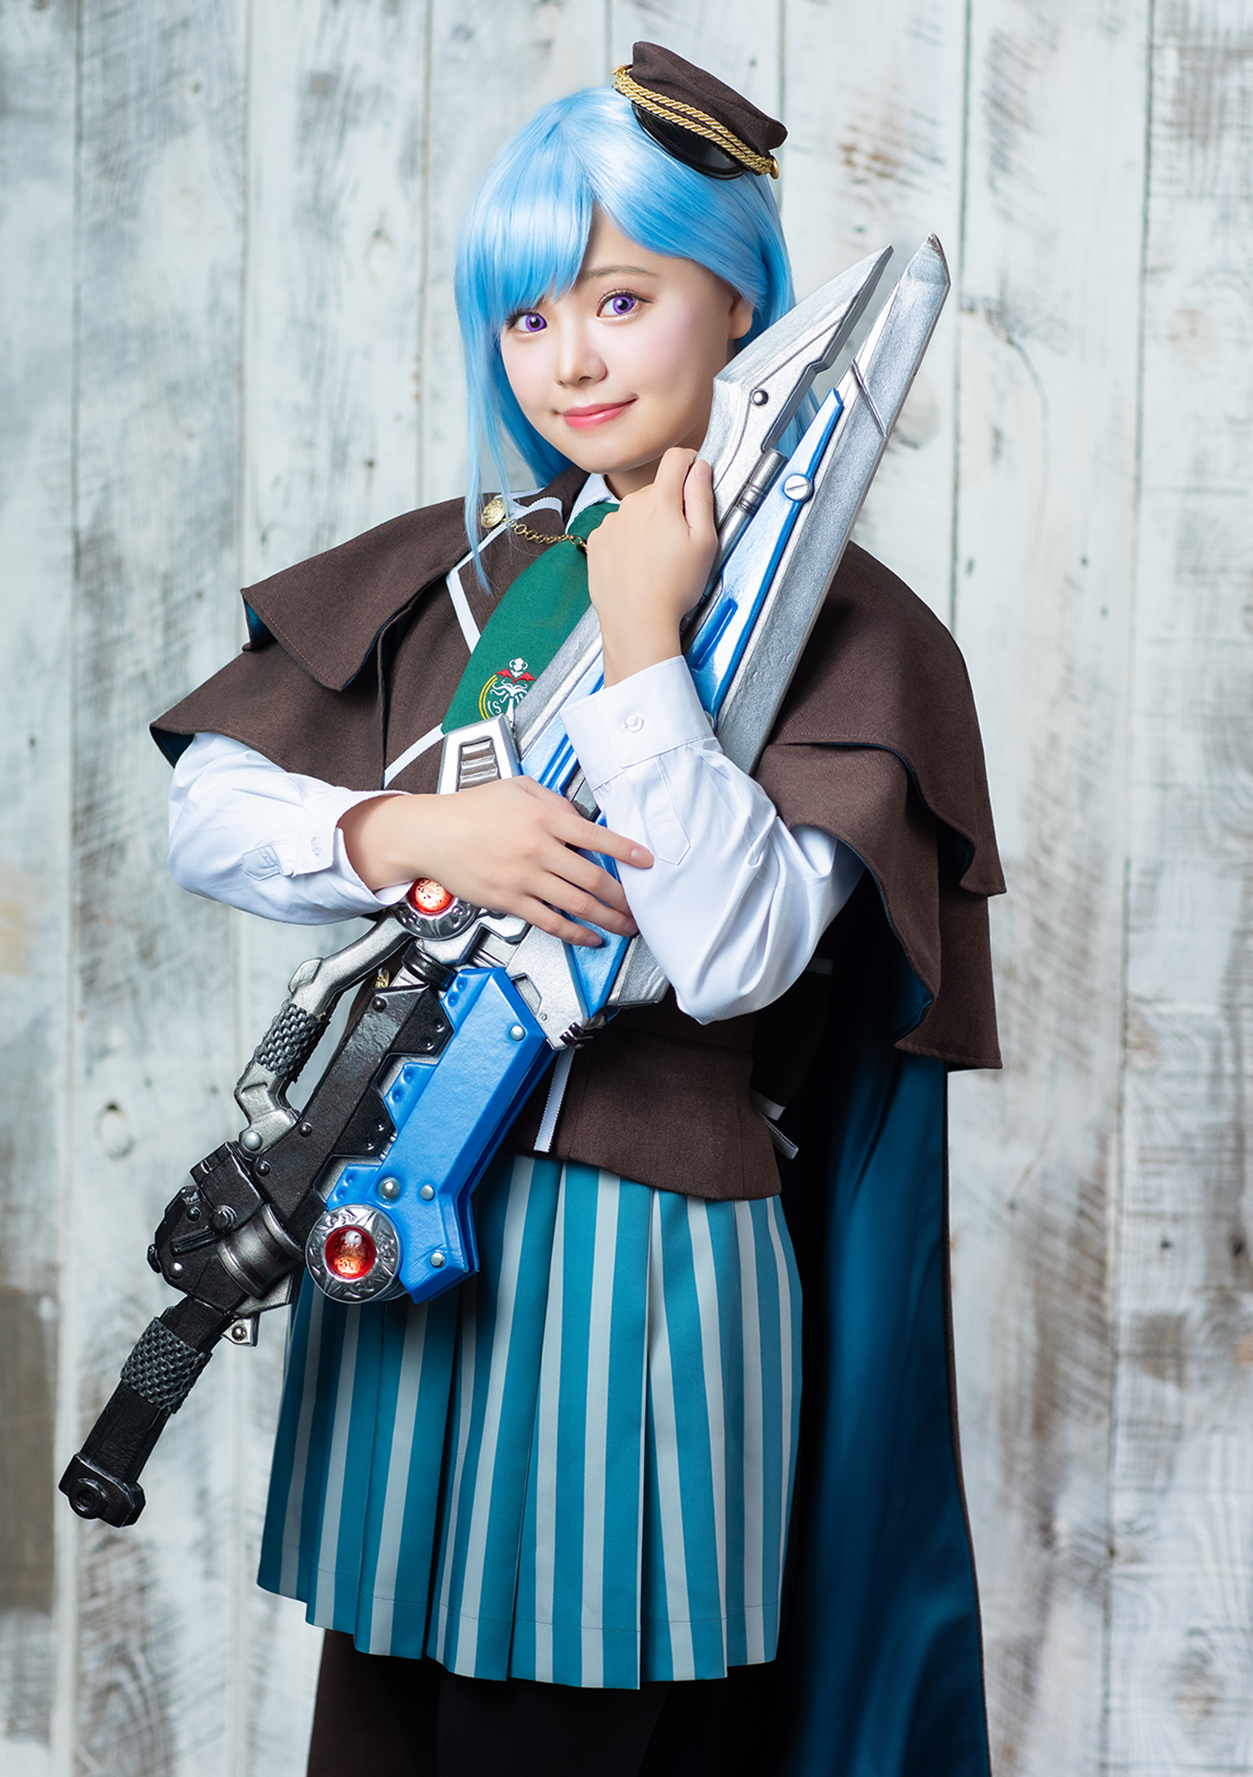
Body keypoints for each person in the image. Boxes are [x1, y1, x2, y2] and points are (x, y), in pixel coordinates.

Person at [152, 45, 1004, 1777]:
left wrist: (638, 644)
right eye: (529, 317)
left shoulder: (856, 633)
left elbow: (733, 951)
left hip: (647, 1259)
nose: (572, 360)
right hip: (405, 1223)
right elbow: (208, 809)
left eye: (621, 299)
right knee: (383, 1722)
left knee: (585, 1732)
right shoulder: (457, 570)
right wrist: (410, 830)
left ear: (741, 303)